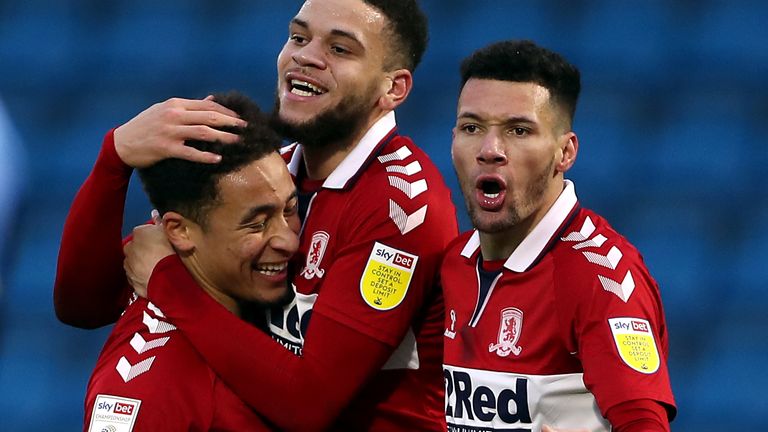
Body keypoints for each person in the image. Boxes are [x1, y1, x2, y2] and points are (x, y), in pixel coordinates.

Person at [55, 0, 458, 430]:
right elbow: (84, 305)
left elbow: (307, 404)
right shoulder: (268, 175)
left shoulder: (401, 208)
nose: (306, 55)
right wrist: (114, 156)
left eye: (340, 49)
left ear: (393, 88)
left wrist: (167, 281)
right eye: (299, 37)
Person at [442, 40, 676, 432]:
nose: (490, 149)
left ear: (564, 153)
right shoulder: (450, 263)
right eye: (471, 127)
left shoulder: (600, 278)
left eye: (518, 130)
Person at [83, 92, 297, 431]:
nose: (289, 240)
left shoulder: (274, 303)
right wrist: (115, 154)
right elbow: (79, 301)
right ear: (180, 232)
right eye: (257, 224)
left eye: (290, 209)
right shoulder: (148, 386)